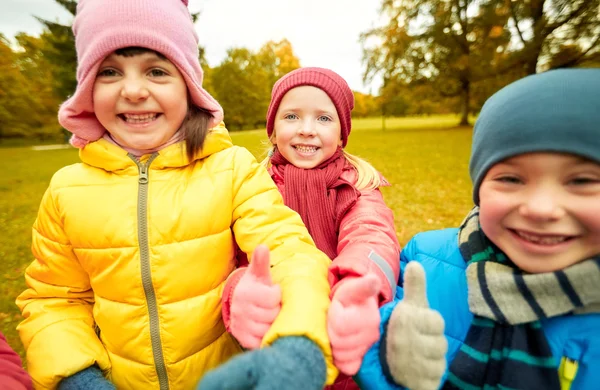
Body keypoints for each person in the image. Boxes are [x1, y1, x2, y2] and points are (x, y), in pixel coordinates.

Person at [15, 0, 338, 388]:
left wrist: (298, 343)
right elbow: (54, 300)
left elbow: (291, 252)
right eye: (110, 72)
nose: (133, 90)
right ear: (86, 88)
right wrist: (78, 378)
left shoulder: (231, 168)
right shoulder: (65, 191)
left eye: (156, 70)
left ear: (189, 85)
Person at [356, 68, 600, 390]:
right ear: (479, 187)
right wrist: (388, 358)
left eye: (581, 181)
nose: (541, 209)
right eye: (511, 179)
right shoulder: (424, 262)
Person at [217, 67, 401, 390]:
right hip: (276, 340)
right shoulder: (252, 187)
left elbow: (371, 234)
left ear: (343, 133)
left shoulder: (358, 186)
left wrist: (356, 286)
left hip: (343, 338)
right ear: (272, 130)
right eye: (291, 117)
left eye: (323, 119)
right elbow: (233, 261)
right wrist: (239, 289)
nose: (306, 130)